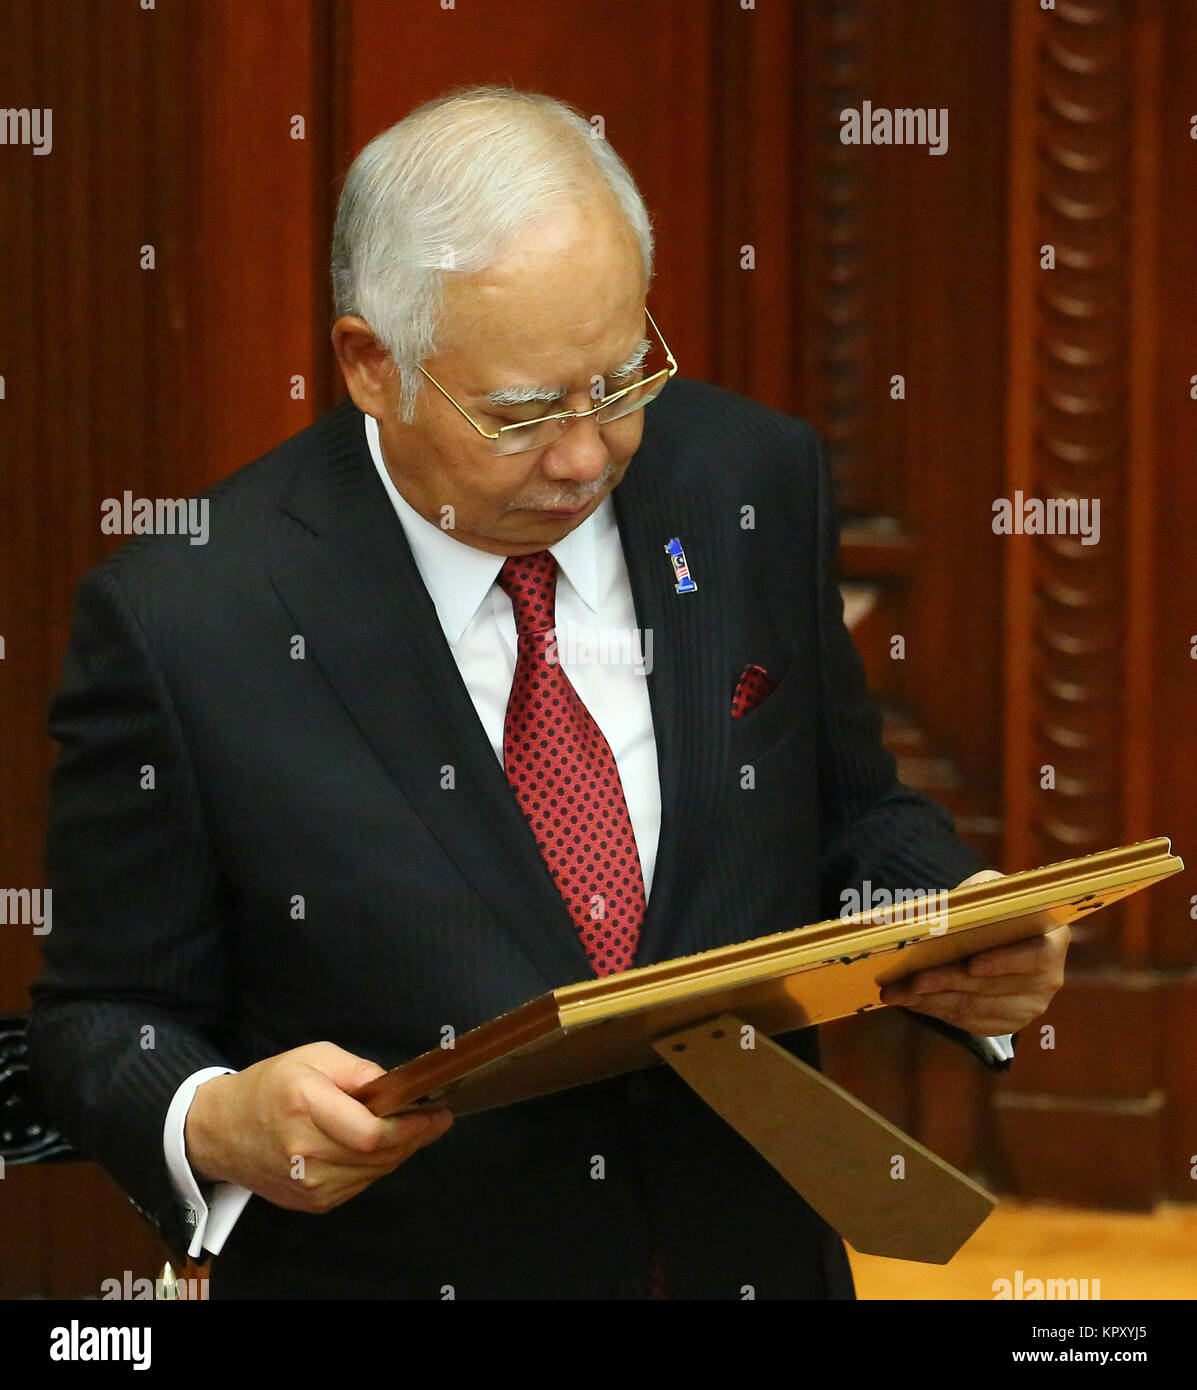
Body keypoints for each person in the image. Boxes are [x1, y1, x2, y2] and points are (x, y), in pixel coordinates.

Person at [27, 86, 1068, 1300]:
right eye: (521, 412)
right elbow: (102, 1019)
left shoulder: (747, 478)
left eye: (623, 378)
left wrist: (954, 917)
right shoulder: (187, 616)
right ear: (372, 364)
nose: (586, 454)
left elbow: (849, 809)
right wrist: (215, 1117)